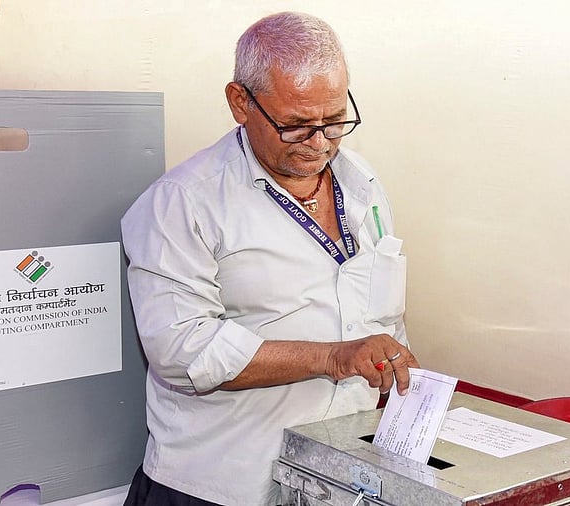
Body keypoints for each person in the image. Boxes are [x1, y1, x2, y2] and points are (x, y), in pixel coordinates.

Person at [120, 11, 418, 506]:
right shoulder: (183, 202)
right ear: (241, 103)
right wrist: (332, 357)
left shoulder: (360, 181)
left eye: (335, 120)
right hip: (223, 484)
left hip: (335, 479)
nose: (320, 143)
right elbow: (182, 352)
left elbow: (380, 311)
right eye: (297, 125)